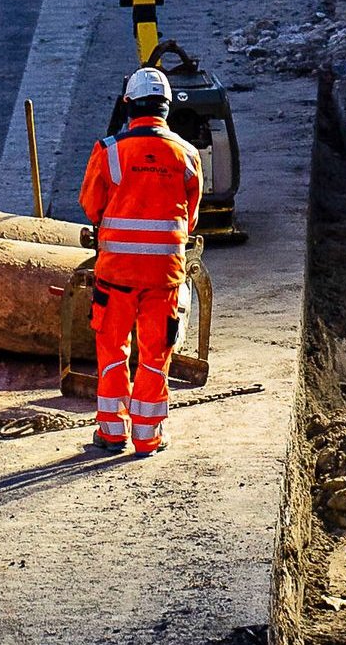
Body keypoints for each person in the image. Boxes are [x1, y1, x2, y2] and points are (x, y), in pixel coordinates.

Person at [76, 65, 205, 456]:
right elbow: (192, 216)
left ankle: (111, 433)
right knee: (155, 354)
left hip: (115, 275)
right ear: (168, 108)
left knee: (113, 350)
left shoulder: (109, 151)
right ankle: (148, 437)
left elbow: (90, 206)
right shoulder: (188, 156)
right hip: (164, 276)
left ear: (127, 104)